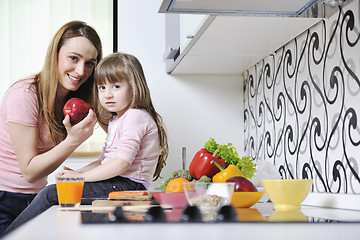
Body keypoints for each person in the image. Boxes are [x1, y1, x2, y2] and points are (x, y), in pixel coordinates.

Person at [3, 52, 169, 235]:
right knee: (56, 193)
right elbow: (104, 160)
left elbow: (121, 163)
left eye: (116, 86)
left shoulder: (135, 116)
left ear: (135, 87)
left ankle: (11, 236)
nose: (108, 94)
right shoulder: (119, 120)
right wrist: (77, 173)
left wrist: (80, 179)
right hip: (120, 182)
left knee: (51, 194)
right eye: (102, 88)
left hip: (129, 186)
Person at [0, 21, 102, 237]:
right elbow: (29, 171)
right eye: (73, 58)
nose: (81, 70)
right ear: (54, 54)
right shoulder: (25, 94)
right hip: (5, 201)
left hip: (35, 198)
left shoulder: (75, 100)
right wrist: (73, 140)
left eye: (89, 63)